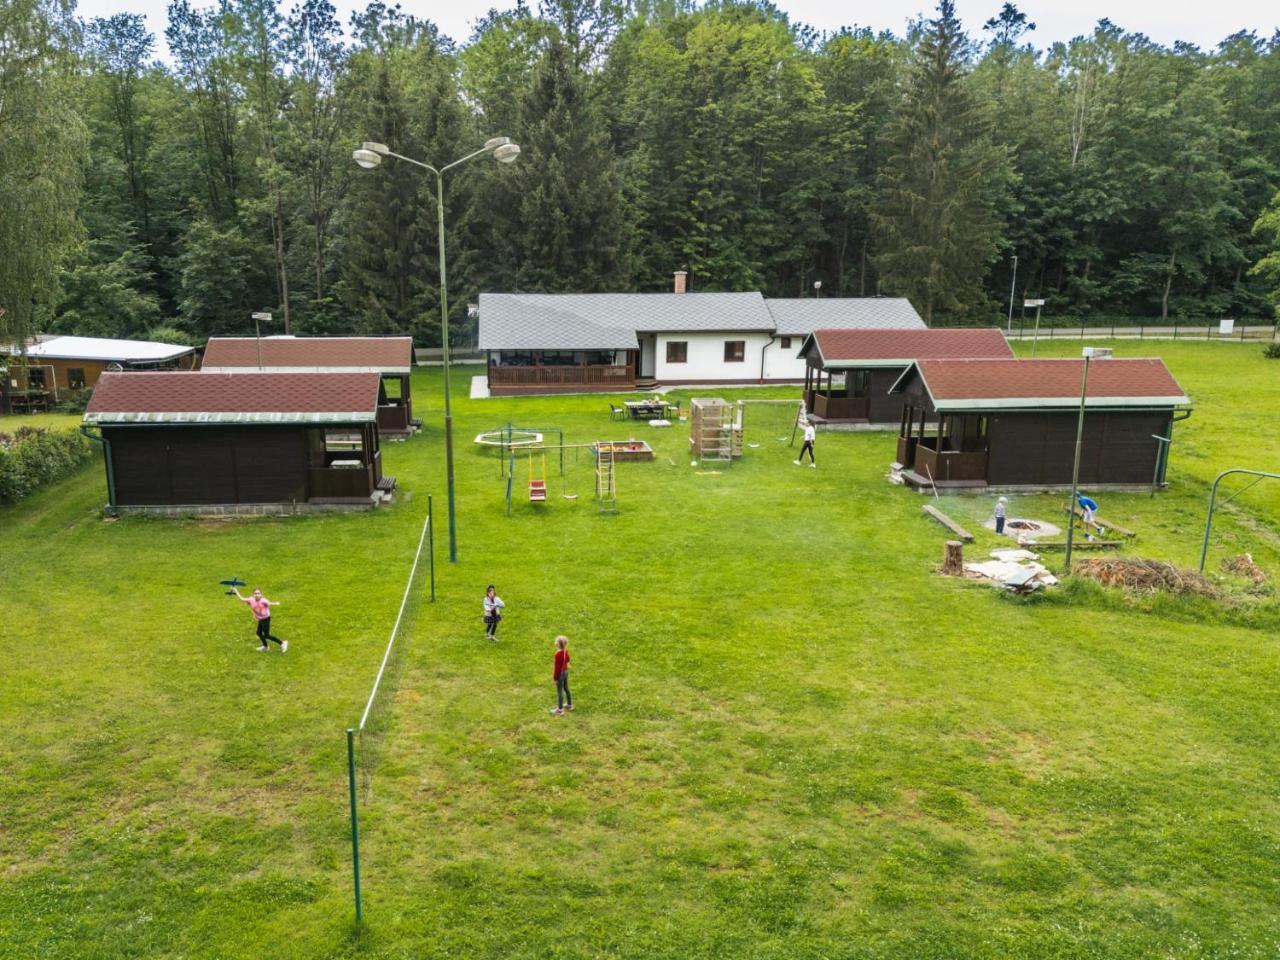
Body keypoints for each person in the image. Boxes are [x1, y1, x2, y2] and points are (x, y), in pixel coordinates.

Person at [231, 586, 286, 653]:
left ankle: (282, 643)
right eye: (255, 593)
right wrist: (235, 590)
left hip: (266, 619)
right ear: (253, 594)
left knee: (267, 635)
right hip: (260, 619)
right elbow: (242, 599)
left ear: (261, 594)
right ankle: (266, 647)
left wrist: (275, 603)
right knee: (259, 633)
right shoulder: (251, 600)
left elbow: (269, 603)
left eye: (258, 593)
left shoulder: (263, 601)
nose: (257, 595)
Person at [551, 635, 573, 715]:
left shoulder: (557, 654)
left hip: (560, 674)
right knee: (566, 688)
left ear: (558, 644)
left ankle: (560, 710)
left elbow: (556, 668)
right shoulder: (565, 651)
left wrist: (555, 678)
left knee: (559, 691)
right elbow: (568, 659)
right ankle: (569, 705)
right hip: (565, 672)